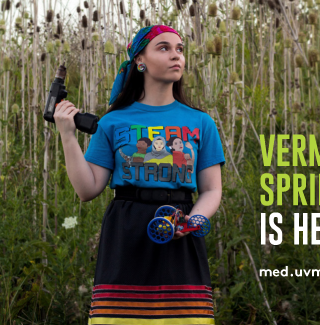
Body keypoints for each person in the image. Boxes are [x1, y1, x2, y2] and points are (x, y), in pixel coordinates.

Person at [54, 25, 224, 325]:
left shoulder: (201, 122)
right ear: (139, 61)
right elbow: (87, 189)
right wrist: (67, 136)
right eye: (164, 48)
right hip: (126, 232)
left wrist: (195, 220)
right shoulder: (113, 121)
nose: (176, 56)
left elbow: (211, 190)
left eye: (180, 49)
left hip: (180, 231)